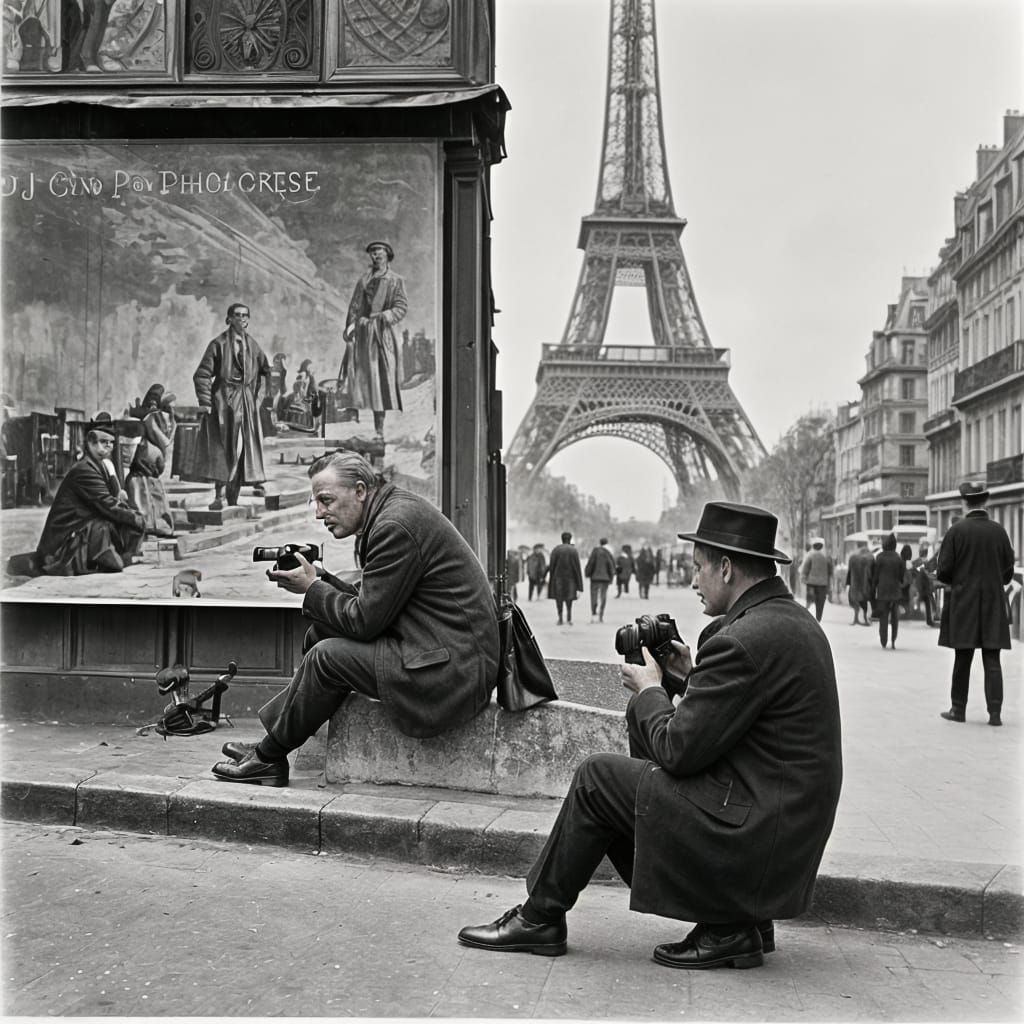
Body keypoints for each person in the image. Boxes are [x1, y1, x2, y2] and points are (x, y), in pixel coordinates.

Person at [457, 501, 842, 969]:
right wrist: (689, 679)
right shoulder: (790, 621)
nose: (692, 581)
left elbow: (677, 751)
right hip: (780, 836)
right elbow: (746, 725)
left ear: (725, 567)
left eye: (698, 569)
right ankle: (736, 923)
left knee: (599, 779)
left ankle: (540, 919)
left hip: (755, 838)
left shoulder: (743, 639)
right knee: (635, 782)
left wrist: (649, 690)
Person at [210, 451, 499, 786]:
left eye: (326, 500)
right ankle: (272, 744)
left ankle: (269, 757)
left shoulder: (393, 526)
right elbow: (374, 603)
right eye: (315, 502)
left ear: (360, 491)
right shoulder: (390, 513)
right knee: (320, 634)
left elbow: (365, 621)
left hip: (453, 671)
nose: (319, 513)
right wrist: (320, 578)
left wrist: (313, 588)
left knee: (325, 658)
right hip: (439, 649)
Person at [937, 482, 1015, 727]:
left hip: (964, 601)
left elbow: (943, 570)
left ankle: (958, 709)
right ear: (985, 503)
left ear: (965, 503)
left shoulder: (956, 531)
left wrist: (959, 581)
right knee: (992, 659)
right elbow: (1008, 570)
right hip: (992, 601)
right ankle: (995, 713)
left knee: (963, 657)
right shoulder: (999, 532)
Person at [35, 418, 146, 575]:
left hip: (77, 528)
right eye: (103, 441)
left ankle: (118, 557)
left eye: (111, 442)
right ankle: (108, 560)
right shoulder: (84, 470)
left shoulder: (98, 465)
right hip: (63, 542)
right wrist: (136, 518)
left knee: (115, 522)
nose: (109, 446)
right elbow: (107, 504)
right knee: (106, 525)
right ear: (90, 443)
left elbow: (110, 501)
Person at [192, 302, 271, 510]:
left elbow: (265, 372)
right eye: (237, 315)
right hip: (224, 400)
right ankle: (219, 494)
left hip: (246, 401)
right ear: (229, 318)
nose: (242, 319)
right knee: (223, 447)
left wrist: (257, 399)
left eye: (245, 315)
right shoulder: (218, 344)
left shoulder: (253, 345)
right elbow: (202, 374)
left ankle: (240, 490)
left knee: (246, 445)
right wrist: (206, 402)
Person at [341, 241, 408, 441]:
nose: (375, 256)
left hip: (381, 335)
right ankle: (355, 423)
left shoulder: (395, 280)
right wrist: (351, 326)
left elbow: (401, 306)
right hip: (363, 335)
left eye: (378, 253)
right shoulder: (363, 280)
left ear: (387, 255)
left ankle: (379, 429)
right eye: (372, 253)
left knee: (380, 381)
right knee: (358, 377)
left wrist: (385, 315)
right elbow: (355, 305)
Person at [125, 383, 176, 539]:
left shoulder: (162, 418)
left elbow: (166, 440)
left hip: (152, 468)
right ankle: (147, 527)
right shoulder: (149, 417)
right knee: (143, 498)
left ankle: (158, 526)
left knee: (153, 497)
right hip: (143, 465)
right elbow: (163, 441)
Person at [869, 533, 904, 650]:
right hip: (895, 592)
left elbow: (876, 576)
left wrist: (873, 588)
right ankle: (893, 640)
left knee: (883, 617)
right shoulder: (898, 558)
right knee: (895, 618)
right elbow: (901, 577)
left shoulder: (879, 557)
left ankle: (883, 640)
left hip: (883, 592)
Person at [548, 531, 583, 626]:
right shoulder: (573, 551)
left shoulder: (556, 550)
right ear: (570, 539)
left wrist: (550, 581)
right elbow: (577, 569)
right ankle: (569, 619)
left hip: (558, 579)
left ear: (562, 538)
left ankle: (560, 619)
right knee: (569, 600)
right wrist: (580, 586)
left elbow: (552, 567)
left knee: (559, 600)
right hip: (571, 580)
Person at [799, 538, 832, 623]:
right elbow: (830, 573)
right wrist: (829, 586)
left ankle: (805, 616)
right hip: (823, 584)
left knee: (809, 601)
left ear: (813, 546)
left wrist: (803, 578)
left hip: (811, 583)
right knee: (820, 602)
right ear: (821, 547)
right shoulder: (827, 557)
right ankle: (818, 619)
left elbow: (805, 568)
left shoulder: (810, 556)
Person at [584, 537, 616, 623]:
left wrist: (587, 573)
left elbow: (591, 563)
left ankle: (594, 614)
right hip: (605, 578)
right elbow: (611, 565)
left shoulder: (595, 551)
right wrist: (611, 577)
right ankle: (601, 616)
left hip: (595, 578)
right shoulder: (609, 552)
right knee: (603, 597)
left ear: (600, 543)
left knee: (594, 596)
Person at [844, 542, 874, 626]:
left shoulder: (853, 557)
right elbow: (873, 572)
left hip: (855, 584)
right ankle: (864, 619)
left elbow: (849, 572)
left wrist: (848, 583)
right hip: (865, 584)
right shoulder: (870, 557)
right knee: (864, 601)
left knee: (855, 601)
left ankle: (856, 618)